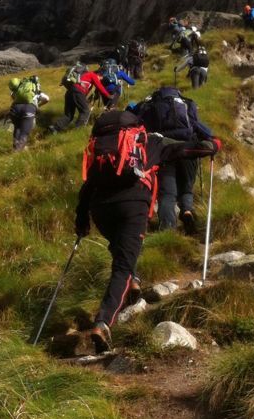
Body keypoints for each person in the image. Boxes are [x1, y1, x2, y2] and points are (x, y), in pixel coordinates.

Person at [76, 109, 220, 353]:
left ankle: (133, 281)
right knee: (122, 266)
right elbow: (184, 150)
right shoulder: (148, 141)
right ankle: (103, 322)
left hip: (100, 208)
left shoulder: (100, 148)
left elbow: (87, 185)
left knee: (120, 247)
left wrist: (81, 221)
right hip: (133, 204)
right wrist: (212, 146)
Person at [134, 85, 215, 234]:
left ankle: (167, 230)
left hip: (164, 150)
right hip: (188, 149)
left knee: (167, 193)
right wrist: (210, 139)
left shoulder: (150, 105)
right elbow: (198, 126)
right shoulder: (186, 103)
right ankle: (187, 211)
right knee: (186, 186)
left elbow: (139, 126)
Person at [51, 63, 113, 132]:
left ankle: (54, 128)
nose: (101, 80)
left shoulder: (84, 75)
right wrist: (108, 96)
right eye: (101, 78)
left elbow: (83, 93)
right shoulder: (93, 75)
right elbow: (100, 87)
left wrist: (86, 100)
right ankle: (78, 130)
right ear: (99, 74)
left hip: (69, 92)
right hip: (77, 92)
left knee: (68, 115)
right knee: (85, 111)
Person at [8, 75, 50, 151]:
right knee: (24, 133)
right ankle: (17, 151)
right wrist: (37, 105)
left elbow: (12, 96)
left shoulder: (19, 89)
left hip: (15, 108)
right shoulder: (36, 91)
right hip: (29, 109)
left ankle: (15, 146)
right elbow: (47, 99)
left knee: (17, 127)